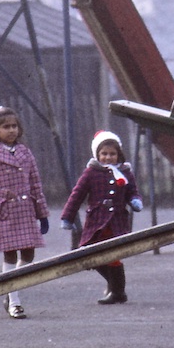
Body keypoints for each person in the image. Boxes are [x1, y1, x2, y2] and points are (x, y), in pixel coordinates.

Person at [0, 106, 50, 319]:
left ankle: (9, 291)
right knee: (10, 254)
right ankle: (14, 301)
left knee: (29, 255)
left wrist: (42, 213)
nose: (12, 130)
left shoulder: (26, 153)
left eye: (14, 126)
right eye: (6, 127)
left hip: (25, 211)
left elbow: (35, 183)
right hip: (4, 213)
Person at [60, 130, 144, 304]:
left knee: (113, 255)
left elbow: (132, 191)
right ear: (97, 154)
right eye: (104, 153)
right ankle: (113, 285)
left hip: (117, 221)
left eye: (112, 154)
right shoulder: (91, 172)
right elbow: (77, 195)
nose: (108, 157)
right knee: (88, 255)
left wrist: (135, 201)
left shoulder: (125, 172)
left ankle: (118, 292)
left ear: (118, 154)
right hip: (96, 221)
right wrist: (67, 216)